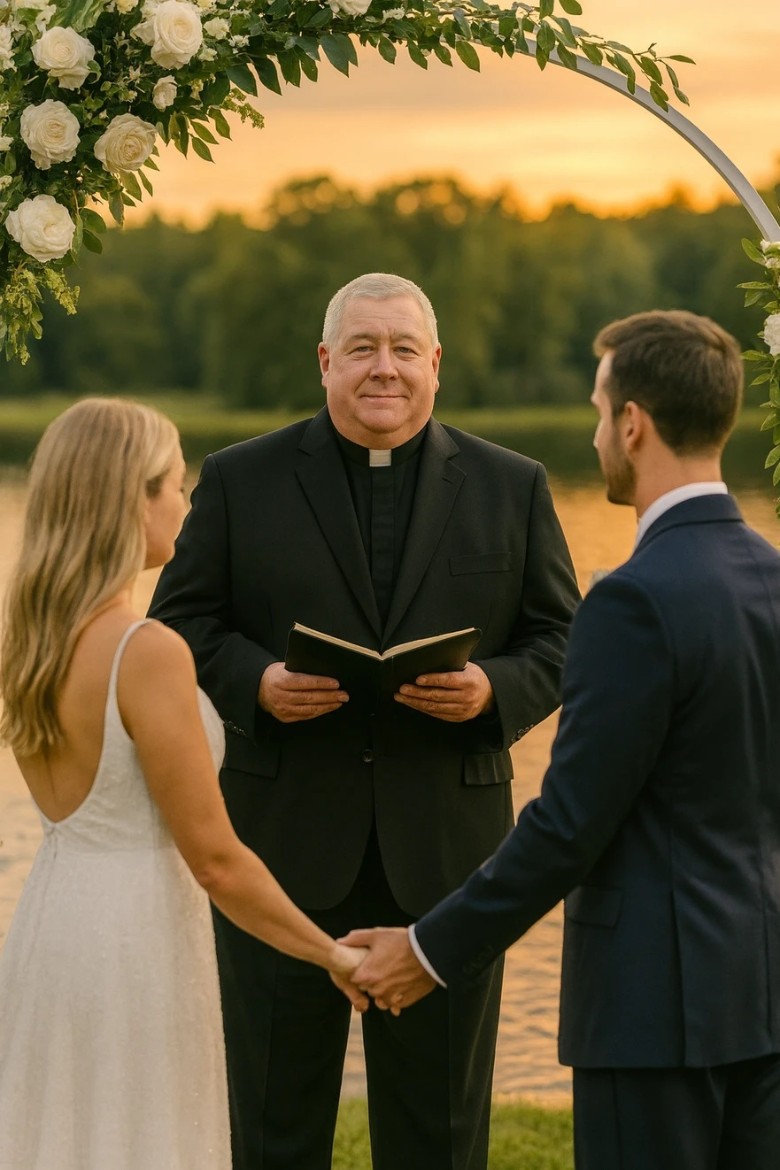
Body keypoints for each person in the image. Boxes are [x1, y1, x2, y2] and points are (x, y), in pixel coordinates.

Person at [149, 272, 579, 1170]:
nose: (384, 369)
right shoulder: (238, 480)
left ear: (436, 365)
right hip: (279, 852)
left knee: (442, 1138)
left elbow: (565, 641)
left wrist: (495, 691)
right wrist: (255, 682)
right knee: (271, 1126)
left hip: (449, 862)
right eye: (362, 349)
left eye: (402, 350)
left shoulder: (514, 485)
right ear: (324, 363)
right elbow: (176, 623)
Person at [345, 309, 780, 1170]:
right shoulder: (770, 577)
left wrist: (427, 950)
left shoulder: (633, 599)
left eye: (595, 411)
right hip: (762, 998)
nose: (594, 435)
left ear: (632, 422)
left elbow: (570, 825)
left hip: (654, 1013)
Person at [0, 398, 367, 1170]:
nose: (187, 501)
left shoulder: (31, 637)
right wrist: (331, 955)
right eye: (171, 483)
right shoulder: (147, 652)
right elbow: (216, 859)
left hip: (54, 924)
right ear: (126, 499)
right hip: (134, 939)